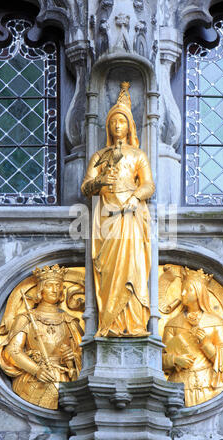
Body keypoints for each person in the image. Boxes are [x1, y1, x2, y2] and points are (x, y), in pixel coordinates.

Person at [81, 82, 155, 337]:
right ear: (108, 126)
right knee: (111, 271)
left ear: (129, 125)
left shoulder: (138, 155)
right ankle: (110, 323)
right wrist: (100, 181)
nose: (117, 126)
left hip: (132, 216)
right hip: (107, 218)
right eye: (113, 122)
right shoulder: (99, 156)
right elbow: (86, 187)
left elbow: (148, 185)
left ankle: (133, 324)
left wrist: (135, 198)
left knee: (133, 267)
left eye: (122, 121)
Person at [0, 265, 83, 410]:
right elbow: (13, 350)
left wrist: (72, 357)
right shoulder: (26, 318)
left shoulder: (70, 321)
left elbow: (86, 352)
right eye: (49, 286)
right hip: (35, 380)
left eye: (58, 286)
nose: (55, 290)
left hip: (66, 378)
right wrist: (36, 370)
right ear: (41, 290)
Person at [162, 267, 223, 407]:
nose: (182, 293)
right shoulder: (173, 324)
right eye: (182, 289)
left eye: (188, 290)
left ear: (199, 292)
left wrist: (206, 344)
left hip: (206, 386)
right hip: (177, 387)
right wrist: (175, 360)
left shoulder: (216, 322)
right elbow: (159, 358)